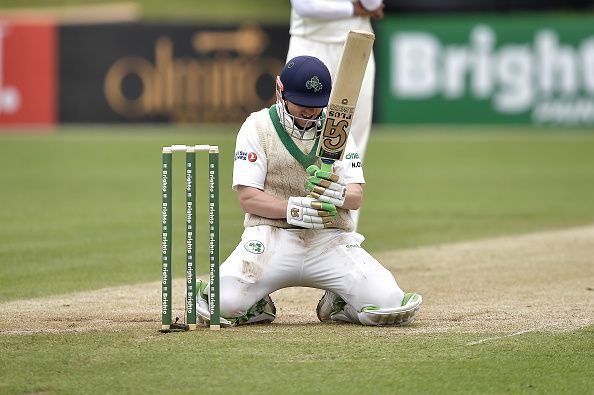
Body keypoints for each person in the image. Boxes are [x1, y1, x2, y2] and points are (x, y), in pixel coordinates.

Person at [196, 55, 422, 328]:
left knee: (388, 303)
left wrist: (337, 193)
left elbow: (355, 197)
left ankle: (338, 303)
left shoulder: (336, 129)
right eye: (301, 106)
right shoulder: (257, 127)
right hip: (272, 237)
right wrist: (295, 209)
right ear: (280, 90)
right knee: (222, 305)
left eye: (315, 107)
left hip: (327, 241)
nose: (309, 114)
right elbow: (248, 198)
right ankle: (256, 304)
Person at [287, 0, 385, 228]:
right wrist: (353, 9)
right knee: (298, 135)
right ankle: (296, 226)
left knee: (352, 140)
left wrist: (362, 9)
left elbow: (373, 4)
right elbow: (305, 6)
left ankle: (344, 232)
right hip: (310, 42)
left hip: (356, 43)